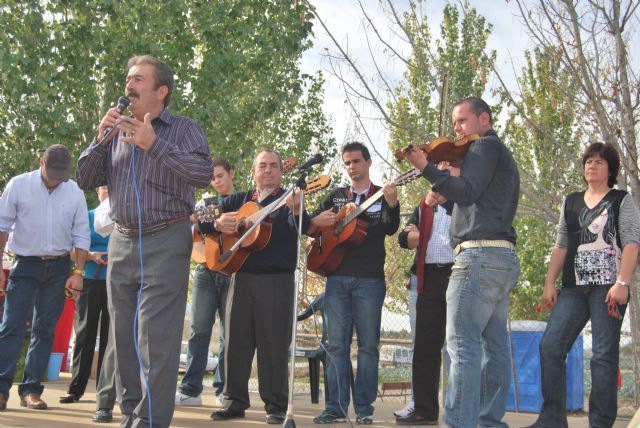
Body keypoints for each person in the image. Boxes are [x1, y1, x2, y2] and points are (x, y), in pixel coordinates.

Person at [76, 55, 213, 428]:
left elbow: (204, 173)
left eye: (138, 79)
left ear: (160, 90)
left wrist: (154, 145)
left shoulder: (183, 129)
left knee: (154, 335)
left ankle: (150, 420)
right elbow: (86, 177)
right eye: (127, 79)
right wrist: (99, 139)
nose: (128, 85)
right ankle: (130, 414)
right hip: (120, 241)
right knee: (122, 337)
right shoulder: (114, 130)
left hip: (166, 238)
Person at [405, 97, 521, 428]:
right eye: (455, 123)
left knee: (462, 347)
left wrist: (425, 168)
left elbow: (468, 192)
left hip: (478, 258)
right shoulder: (492, 154)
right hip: (499, 256)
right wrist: (448, 188)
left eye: (462, 120)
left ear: (484, 119)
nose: (456, 128)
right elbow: (472, 197)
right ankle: (487, 422)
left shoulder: (484, 147)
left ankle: (459, 423)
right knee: (494, 347)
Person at [523, 143, 640, 428]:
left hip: (608, 289)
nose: (592, 166)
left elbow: (633, 241)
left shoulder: (621, 200)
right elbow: (562, 244)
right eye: (588, 161)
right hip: (573, 289)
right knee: (551, 346)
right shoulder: (571, 201)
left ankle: (599, 423)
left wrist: (622, 282)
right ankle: (551, 419)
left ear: (610, 169)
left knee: (603, 355)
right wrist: (550, 282)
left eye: (599, 162)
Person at [210, 148, 309, 425]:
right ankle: (233, 401)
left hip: (277, 280)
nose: (267, 170)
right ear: (253, 172)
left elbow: (304, 227)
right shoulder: (239, 199)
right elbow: (204, 216)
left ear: (280, 172)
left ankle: (276, 404)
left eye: (273, 166)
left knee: (274, 344)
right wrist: (218, 222)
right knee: (235, 343)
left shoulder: (290, 199)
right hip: (240, 278)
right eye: (262, 166)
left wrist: (299, 210)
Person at [310, 142, 400, 425]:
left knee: (368, 346)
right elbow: (312, 226)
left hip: (370, 280)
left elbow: (390, 227)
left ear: (369, 163)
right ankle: (336, 408)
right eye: (347, 162)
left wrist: (393, 203)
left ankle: (364, 409)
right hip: (336, 278)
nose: (352, 167)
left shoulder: (381, 195)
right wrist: (318, 222)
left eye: (357, 161)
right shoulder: (336, 196)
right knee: (335, 345)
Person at [0, 144, 90, 411]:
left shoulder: (73, 191)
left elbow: (81, 234)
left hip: (60, 267)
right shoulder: (18, 185)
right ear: (40, 162)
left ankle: (31, 391)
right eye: (51, 173)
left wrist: (78, 273)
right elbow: (2, 226)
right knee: (11, 327)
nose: (54, 181)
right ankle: (1, 390)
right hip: (25, 265)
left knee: (45, 330)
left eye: (60, 176)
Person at [395, 163, 457, 426]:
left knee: (457, 347)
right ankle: (424, 408)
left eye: (449, 166)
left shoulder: (465, 197)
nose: (442, 170)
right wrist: (411, 235)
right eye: (438, 166)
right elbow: (404, 237)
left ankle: (458, 410)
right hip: (428, 276)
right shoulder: (425, 203)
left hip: (458, 273)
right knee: (425, 346)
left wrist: (444, 201)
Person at [175, 156, 235, 407]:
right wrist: (201, 221)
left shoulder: (243, 201)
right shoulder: (204, 203)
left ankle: (224, 389)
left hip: (232, 270)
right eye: (212, 178)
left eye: (220, 175)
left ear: (231, 173)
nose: (216, 181)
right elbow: (191, 235)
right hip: (205, 270)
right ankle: (191, 389)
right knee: (199, 329)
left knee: (229, 334)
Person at [60, 186, 111, 406]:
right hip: (89, 280)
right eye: (104, 189)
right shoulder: (87, 217)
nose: (107, 192)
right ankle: (76, 388)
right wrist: (91, 256)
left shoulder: (122, 218)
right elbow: (71, 250)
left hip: (116, 282)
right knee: (84, 333)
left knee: (112, 337)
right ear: (98, 192)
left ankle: (106, 390)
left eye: (111, 188)